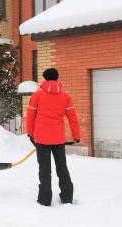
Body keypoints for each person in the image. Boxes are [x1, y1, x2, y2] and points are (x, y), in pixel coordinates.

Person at [26, 68, 80, 206]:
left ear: (44, 78)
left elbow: (30, 117)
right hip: (58, 139)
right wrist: (76, 135)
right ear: (57, 78)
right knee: (62, 167)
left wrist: (30, 133)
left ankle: (44, 199)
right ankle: (67, 198)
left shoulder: (37, 96)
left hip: (42, 139)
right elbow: (72, 118)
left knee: (44, 169)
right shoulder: (65, 97)